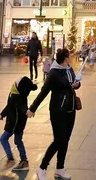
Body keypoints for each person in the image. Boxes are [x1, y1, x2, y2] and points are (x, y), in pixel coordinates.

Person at [28, 49, 81, 180]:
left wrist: (77, 84)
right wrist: (32, 108)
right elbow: (44, 91)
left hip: (70, 108)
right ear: (65, 58)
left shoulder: (69, 69)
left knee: (65, 140)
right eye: (70, 56)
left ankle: (60, 168)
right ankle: (42, 168)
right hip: (58, 110)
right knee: (59, 140)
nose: (71, 58)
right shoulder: (54, 72)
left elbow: (74, 84)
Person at [0, 76, 38, 171]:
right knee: (18, 141)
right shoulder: (16, 95)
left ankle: (11, 159)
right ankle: (24, 161)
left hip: (13, 124)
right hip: (18, 123)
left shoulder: (17, 97)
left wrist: (27, 111)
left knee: (3, 139)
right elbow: (9, 106)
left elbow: (21, 107)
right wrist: (2, 114)